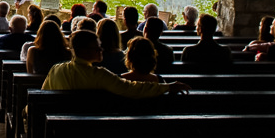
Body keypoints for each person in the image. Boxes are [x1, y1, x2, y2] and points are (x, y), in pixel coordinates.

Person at [41, 31, 189, 97]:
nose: (101, 49)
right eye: (97, 47)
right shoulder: (100, 75)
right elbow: (132, 88)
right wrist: (167, 86)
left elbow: (43, 95)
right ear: (85, 50)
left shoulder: (56, 69)